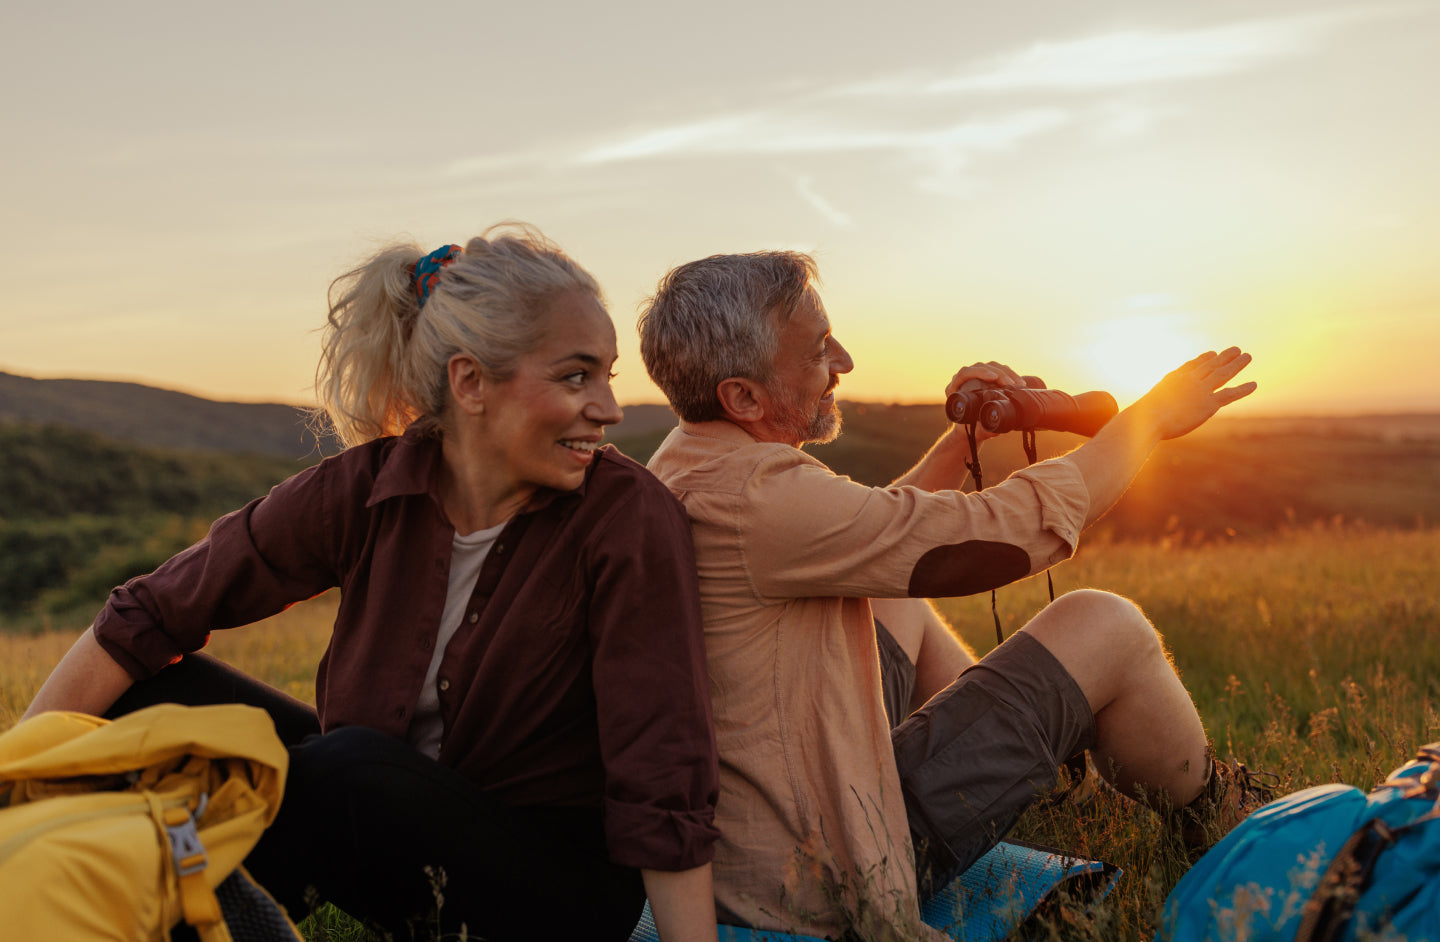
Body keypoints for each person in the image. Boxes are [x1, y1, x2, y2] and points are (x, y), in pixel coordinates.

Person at [23, 225, 721, 942]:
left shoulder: (628, 517)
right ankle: (42, 881)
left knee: (345, 768)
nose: (607, 408)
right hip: (376, 810)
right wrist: (18, 771)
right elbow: (147, 614)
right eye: (576, 377)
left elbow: (663, 769)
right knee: (151, 694)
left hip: (554, 890)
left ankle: (136, 920)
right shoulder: (365, 489)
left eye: (608, 375)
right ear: (470, 382)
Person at [636, 250, 1271, 942]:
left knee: (891, 596)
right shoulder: (759, 496)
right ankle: (1219, 812)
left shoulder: (692, 458)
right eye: (819, 350)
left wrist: (961, 443)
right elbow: (1000, 534)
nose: (842, 360)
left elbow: (875, 530)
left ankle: (1042, 781)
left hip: (765, 825)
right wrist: (1147, 421)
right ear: (745, 397)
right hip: (827, 872)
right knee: (1103, 623)